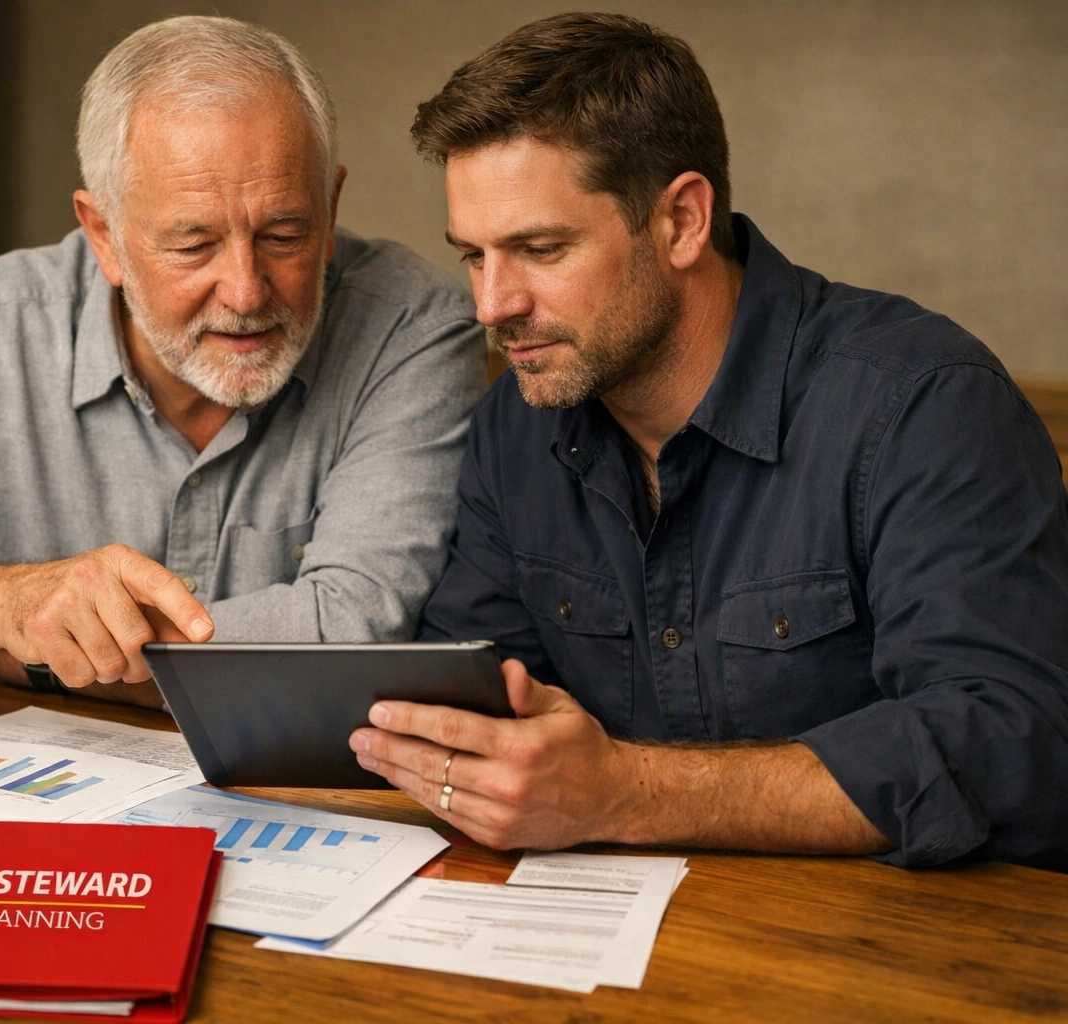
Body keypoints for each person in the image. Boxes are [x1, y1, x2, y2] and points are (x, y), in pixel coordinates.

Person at [350, 12, 1068, 870]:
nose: (492, 304)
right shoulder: (519, 424)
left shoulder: (924, 405)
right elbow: (475, 695)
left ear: (683, 221)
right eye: (473, 255)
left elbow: (1009, 747)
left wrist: (623, 792)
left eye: (540, 249)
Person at [0, 16, 484, 707]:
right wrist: (1, 603)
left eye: (285, 234)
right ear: (104, 236)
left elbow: (353, 639)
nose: (247, 290)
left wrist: (0, 655)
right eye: (193, 245)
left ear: (330, 205)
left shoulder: (413, 326)